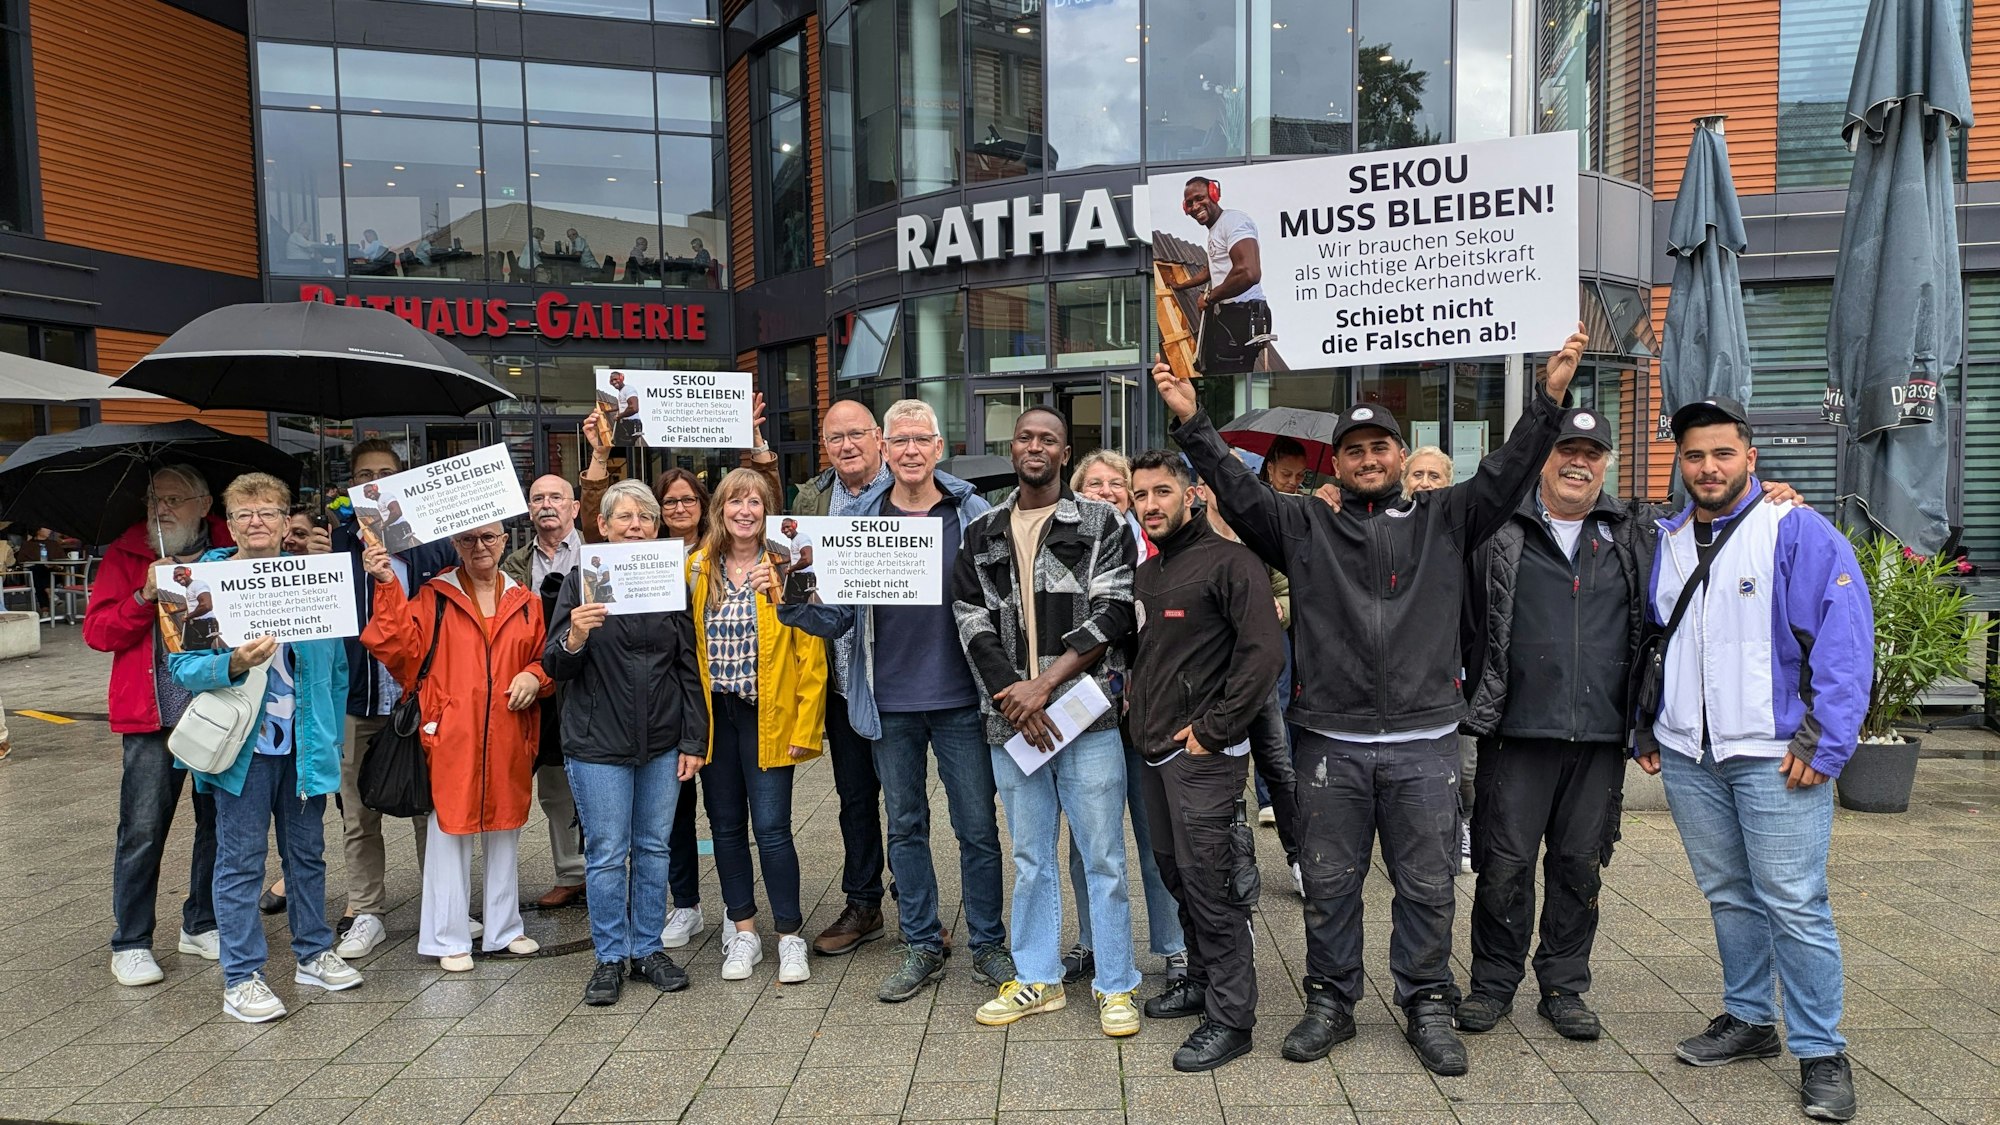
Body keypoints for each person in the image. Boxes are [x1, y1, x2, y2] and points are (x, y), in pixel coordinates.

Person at [1152, 325, 1587, 1076]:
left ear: (1397, 453)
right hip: (1330, 739)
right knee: (1329, 882)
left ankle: (1425, 1000)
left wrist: (1548, 399)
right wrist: (1193, 421)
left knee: (1426, 883)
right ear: (1339, 463)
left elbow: (1511, 470)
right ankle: (1331, 1000)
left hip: (1423, 739)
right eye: (1353, 450)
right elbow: (1238, 490)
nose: (1367, 459)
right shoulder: (1304, 525)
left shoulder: (1448, 518)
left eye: (1378, 447)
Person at [1638, 396, 1871, 1123]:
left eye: (1722, 453)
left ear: (1751, 458)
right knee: (1730, 895)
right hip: (1689, 753)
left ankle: (1821, 1049)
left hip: (1776, 756)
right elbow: (1653, 642)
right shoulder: (1667, 539)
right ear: (1680, 462)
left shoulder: (1793, 528)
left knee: (1796, 903)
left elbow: (1843, 638)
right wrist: (1647, 725)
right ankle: (1748, 1020)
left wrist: (1825, 740)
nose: (1709, 467)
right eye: (1696, 455)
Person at [785, 400, 1011, 1002]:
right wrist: (790, 597)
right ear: (886, 450)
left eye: (922, 440)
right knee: (905, 826)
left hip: (962, 698)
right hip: (888, 701)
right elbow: (835, 618)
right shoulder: (860, 519)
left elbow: (1004, 602)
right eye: (901, 441)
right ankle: (919, 943)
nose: (911, 451)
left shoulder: (972, 514)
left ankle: (988, 943)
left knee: (977, 828)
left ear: (940, 448)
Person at [955, 405, 1142, 1038]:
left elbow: (1115, 611)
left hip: (1086, 718)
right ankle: (1038, 977)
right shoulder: (980, 531)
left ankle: (1117, 984)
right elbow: (969, 620)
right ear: (1014, 449)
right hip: (1014, 722)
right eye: (1026, 437)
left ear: (1066, 453)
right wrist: (1016, 694)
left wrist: (1044, 686)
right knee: (1032, 855)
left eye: (1049, 440)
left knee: (1104, 857)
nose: (1036, 446)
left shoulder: (1103, 523)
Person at [578, 403, 781, 953]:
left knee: (706, 821)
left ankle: (713, 915)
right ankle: (683, 904)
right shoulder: (631, 561)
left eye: (688, 500)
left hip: (694, 715)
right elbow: (600, 522)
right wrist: (600, 455)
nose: (678, 509)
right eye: (669, 504)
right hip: (635, 720)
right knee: (666, 827)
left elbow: (769, 510)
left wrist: (757, 443)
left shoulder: (716, 557)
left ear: (702, 506)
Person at [167, 473, 359, 1023]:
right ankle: (241, 975)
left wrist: (330, 734)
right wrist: (234, 662)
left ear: (284, 521)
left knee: (307, 854)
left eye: (269, 512)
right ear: (228, 522)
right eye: (245, 513)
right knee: (241, 861)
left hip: (303, 745)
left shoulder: (313, 579)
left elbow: (337, 667)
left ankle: (313, 953)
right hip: (242, 750)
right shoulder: (200, 582)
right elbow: (182, 668)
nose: (257, 521)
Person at [1125, 449, 1284, 1071]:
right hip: (1154, 755)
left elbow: (1264, 655)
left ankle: (1232, 1017)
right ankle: (1198, 983)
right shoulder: (1150, 573)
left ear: (1191, 494)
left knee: (1214, 884)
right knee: (1177, 876)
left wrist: (1213, 732)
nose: (1151, 505)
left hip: (1204, 759)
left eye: (1162, 492)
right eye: (1141, 496)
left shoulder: (1231, 562)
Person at [361, 522, 554, 972]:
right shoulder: (434, 596)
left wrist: (535, 676)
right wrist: (387, 584)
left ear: (506, 540)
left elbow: (545, 657)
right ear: (454, 544)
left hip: (508, 730)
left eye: (489, 538)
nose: (479, 547)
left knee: (505, 828)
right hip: (451, 730)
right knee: (450, 831)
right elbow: (397, 648)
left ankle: (504, 928)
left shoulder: (526, 599)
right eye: (468, 539)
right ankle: (446, 935)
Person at [545, 480, 706, 1005]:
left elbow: (687, 665)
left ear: (657, 529)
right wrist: (576, 634)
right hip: (597, 743)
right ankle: (610, 956)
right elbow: (555, 665)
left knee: (655, 847)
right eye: (624, 518)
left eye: (645, 518)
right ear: (604, 527)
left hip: (661, 740)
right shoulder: (579, 582)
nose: (635, 526)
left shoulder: (670, 582)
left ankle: (648, 948)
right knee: (609, 853)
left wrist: (693, 738)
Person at [82, 465, 226, 986]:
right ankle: (132, 940)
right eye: (154, 499)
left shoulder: (229, 551)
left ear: (204, 505)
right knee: (142, 830)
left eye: (173, 499)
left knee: (219, 825)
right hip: (152, 718)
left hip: (217, 711)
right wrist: (144, 596)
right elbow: (98, 633)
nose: (160, 509)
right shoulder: (126, 554)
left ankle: (202, 922)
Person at [687, 469, 829, 984]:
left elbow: (812, 655)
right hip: (714, 718)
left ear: (768, 511)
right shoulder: (698, 568)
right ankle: (743, 931)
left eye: (755, 502)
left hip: (768, 716)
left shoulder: (785, 567)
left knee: (772, 831)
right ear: (719, 510)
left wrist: (806, 727)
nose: (744, 510)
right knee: (724, 829)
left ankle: (790, 936)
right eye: (734, 502)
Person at [325, 440, 456, 961]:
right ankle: (366, 911)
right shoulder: (334, 547)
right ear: (353, 488)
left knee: (432, 807)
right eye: (365, 476)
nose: (375, 481)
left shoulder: (433, 547)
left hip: (420, 698)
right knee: (358, 814)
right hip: (357, 698)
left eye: (386, 474)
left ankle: (441, 905)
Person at [1063, 450, 1189, 988]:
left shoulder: (1161, 549)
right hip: (1086, 718)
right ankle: (1094, 940)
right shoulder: (1064, 550)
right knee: (1089, 840)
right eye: (1095, 484)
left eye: (1119, 484)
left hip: (1148, 717)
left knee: (1155, 832)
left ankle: (1176, 947)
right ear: (1076, 492)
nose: (1108, 492)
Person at [791, 400, 894, 957]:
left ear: (878, 437)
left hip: (897, 673)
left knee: (906, 799)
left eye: (858, 434)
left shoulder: (907, 488)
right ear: (825, 445)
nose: (848, 445)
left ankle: (917, 900)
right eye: (836, 438)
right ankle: (863, 903)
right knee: (854, 797)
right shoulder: (812, 500)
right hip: (839, 675)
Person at [500, 475, 589, 910]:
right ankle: (571, 873)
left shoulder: (597, 554)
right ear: (529, 509)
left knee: (594, 783)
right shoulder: (512, 563)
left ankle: (606, 871)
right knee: (553, 787)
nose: (547, 505)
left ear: (575, 508)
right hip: (534, 685)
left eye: (556, 497)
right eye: (538, 498)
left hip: (589, 683)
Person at [1393, 446, 1473, 873]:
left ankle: (1459, 826)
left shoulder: (1460, 528)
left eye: (1434, 476)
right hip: (1403, 672)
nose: (1424, 483)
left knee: (1463, 762)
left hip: (1451, 666)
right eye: (1417, 475)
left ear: (1449, 483)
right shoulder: (1388, 527)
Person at [1169, 175, 1274, 372]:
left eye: (1200, 198)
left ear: (1214, 193)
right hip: (1235, 313)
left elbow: (1249, 272)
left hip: (1246, 314)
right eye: (1189, 203)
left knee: (1226, 371)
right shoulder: (1214, 231)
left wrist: (1209, 297)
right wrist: (1182, 285)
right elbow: (1211, 270)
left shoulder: (1233, 221)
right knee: (1213, 362)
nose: (1195, 206)